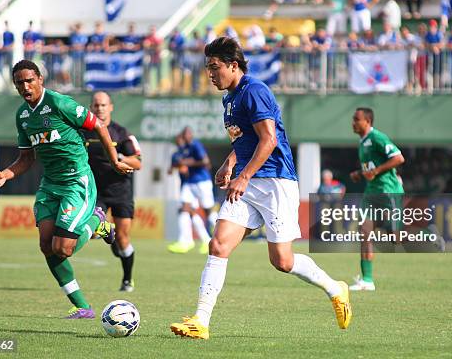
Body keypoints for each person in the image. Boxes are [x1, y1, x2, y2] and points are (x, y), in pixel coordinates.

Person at [169, 37, 352, 340]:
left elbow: (269, 141)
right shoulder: (229, 99)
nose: (210, 74)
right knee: (218, 245)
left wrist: (242, 177)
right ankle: (200, 321)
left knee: (282, 261)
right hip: (248, 180)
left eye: (215, 68)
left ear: (233, 65)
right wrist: (230, 164)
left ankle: (335, 288)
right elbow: (245, 141)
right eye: (207, 69)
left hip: (276, 181)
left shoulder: (255, 91)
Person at [0, 60, 133, 318]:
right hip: (50, 185)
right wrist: (6, 174)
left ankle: (96, 222)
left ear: (40, 80)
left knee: (63, 248)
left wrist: (114, 161)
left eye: (29, 80)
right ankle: (82, 306)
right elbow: (26, 158)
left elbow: (98, 126)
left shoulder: (59, 103)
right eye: (19, 82)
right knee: (46, 246)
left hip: (77, 182)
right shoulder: (22, 116)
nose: (25, 86)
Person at [84, 91, 142, 292]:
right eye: (96, 105)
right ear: (91, 108)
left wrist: (119, 158)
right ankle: (105, 229)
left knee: (122, 241)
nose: (100, 108)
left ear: (111, 107)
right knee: (90, 231)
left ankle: (127, 279)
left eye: (103, 105)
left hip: (120, 191)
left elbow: (138, 162)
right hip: (96, 191)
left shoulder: (121, 133)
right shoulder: (84, 132)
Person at [348, 108, 405, 291]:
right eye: (353, 119)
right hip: (372, 192)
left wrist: (376, 171)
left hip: (388, 191)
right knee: (364, 232)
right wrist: (360, 173)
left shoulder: (378, 138)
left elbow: (398, 158)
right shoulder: (362, 141)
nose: (353, 122)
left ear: (368, 121)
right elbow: (371, 167)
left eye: (357, 119)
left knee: (396, 239)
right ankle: (367, 280)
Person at [167, 132, 212, 254]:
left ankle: (209, 239)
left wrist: (187, 164)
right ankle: (186, 241)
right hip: (188, 185)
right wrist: (177, 166)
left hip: (201, 182)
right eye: (178, 140)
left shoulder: (194, 146)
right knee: (185, 210)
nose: (180, 142)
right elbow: (171, 169)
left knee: (207, 211)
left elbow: (206, 162)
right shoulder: (176, 154)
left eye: (181, 139)